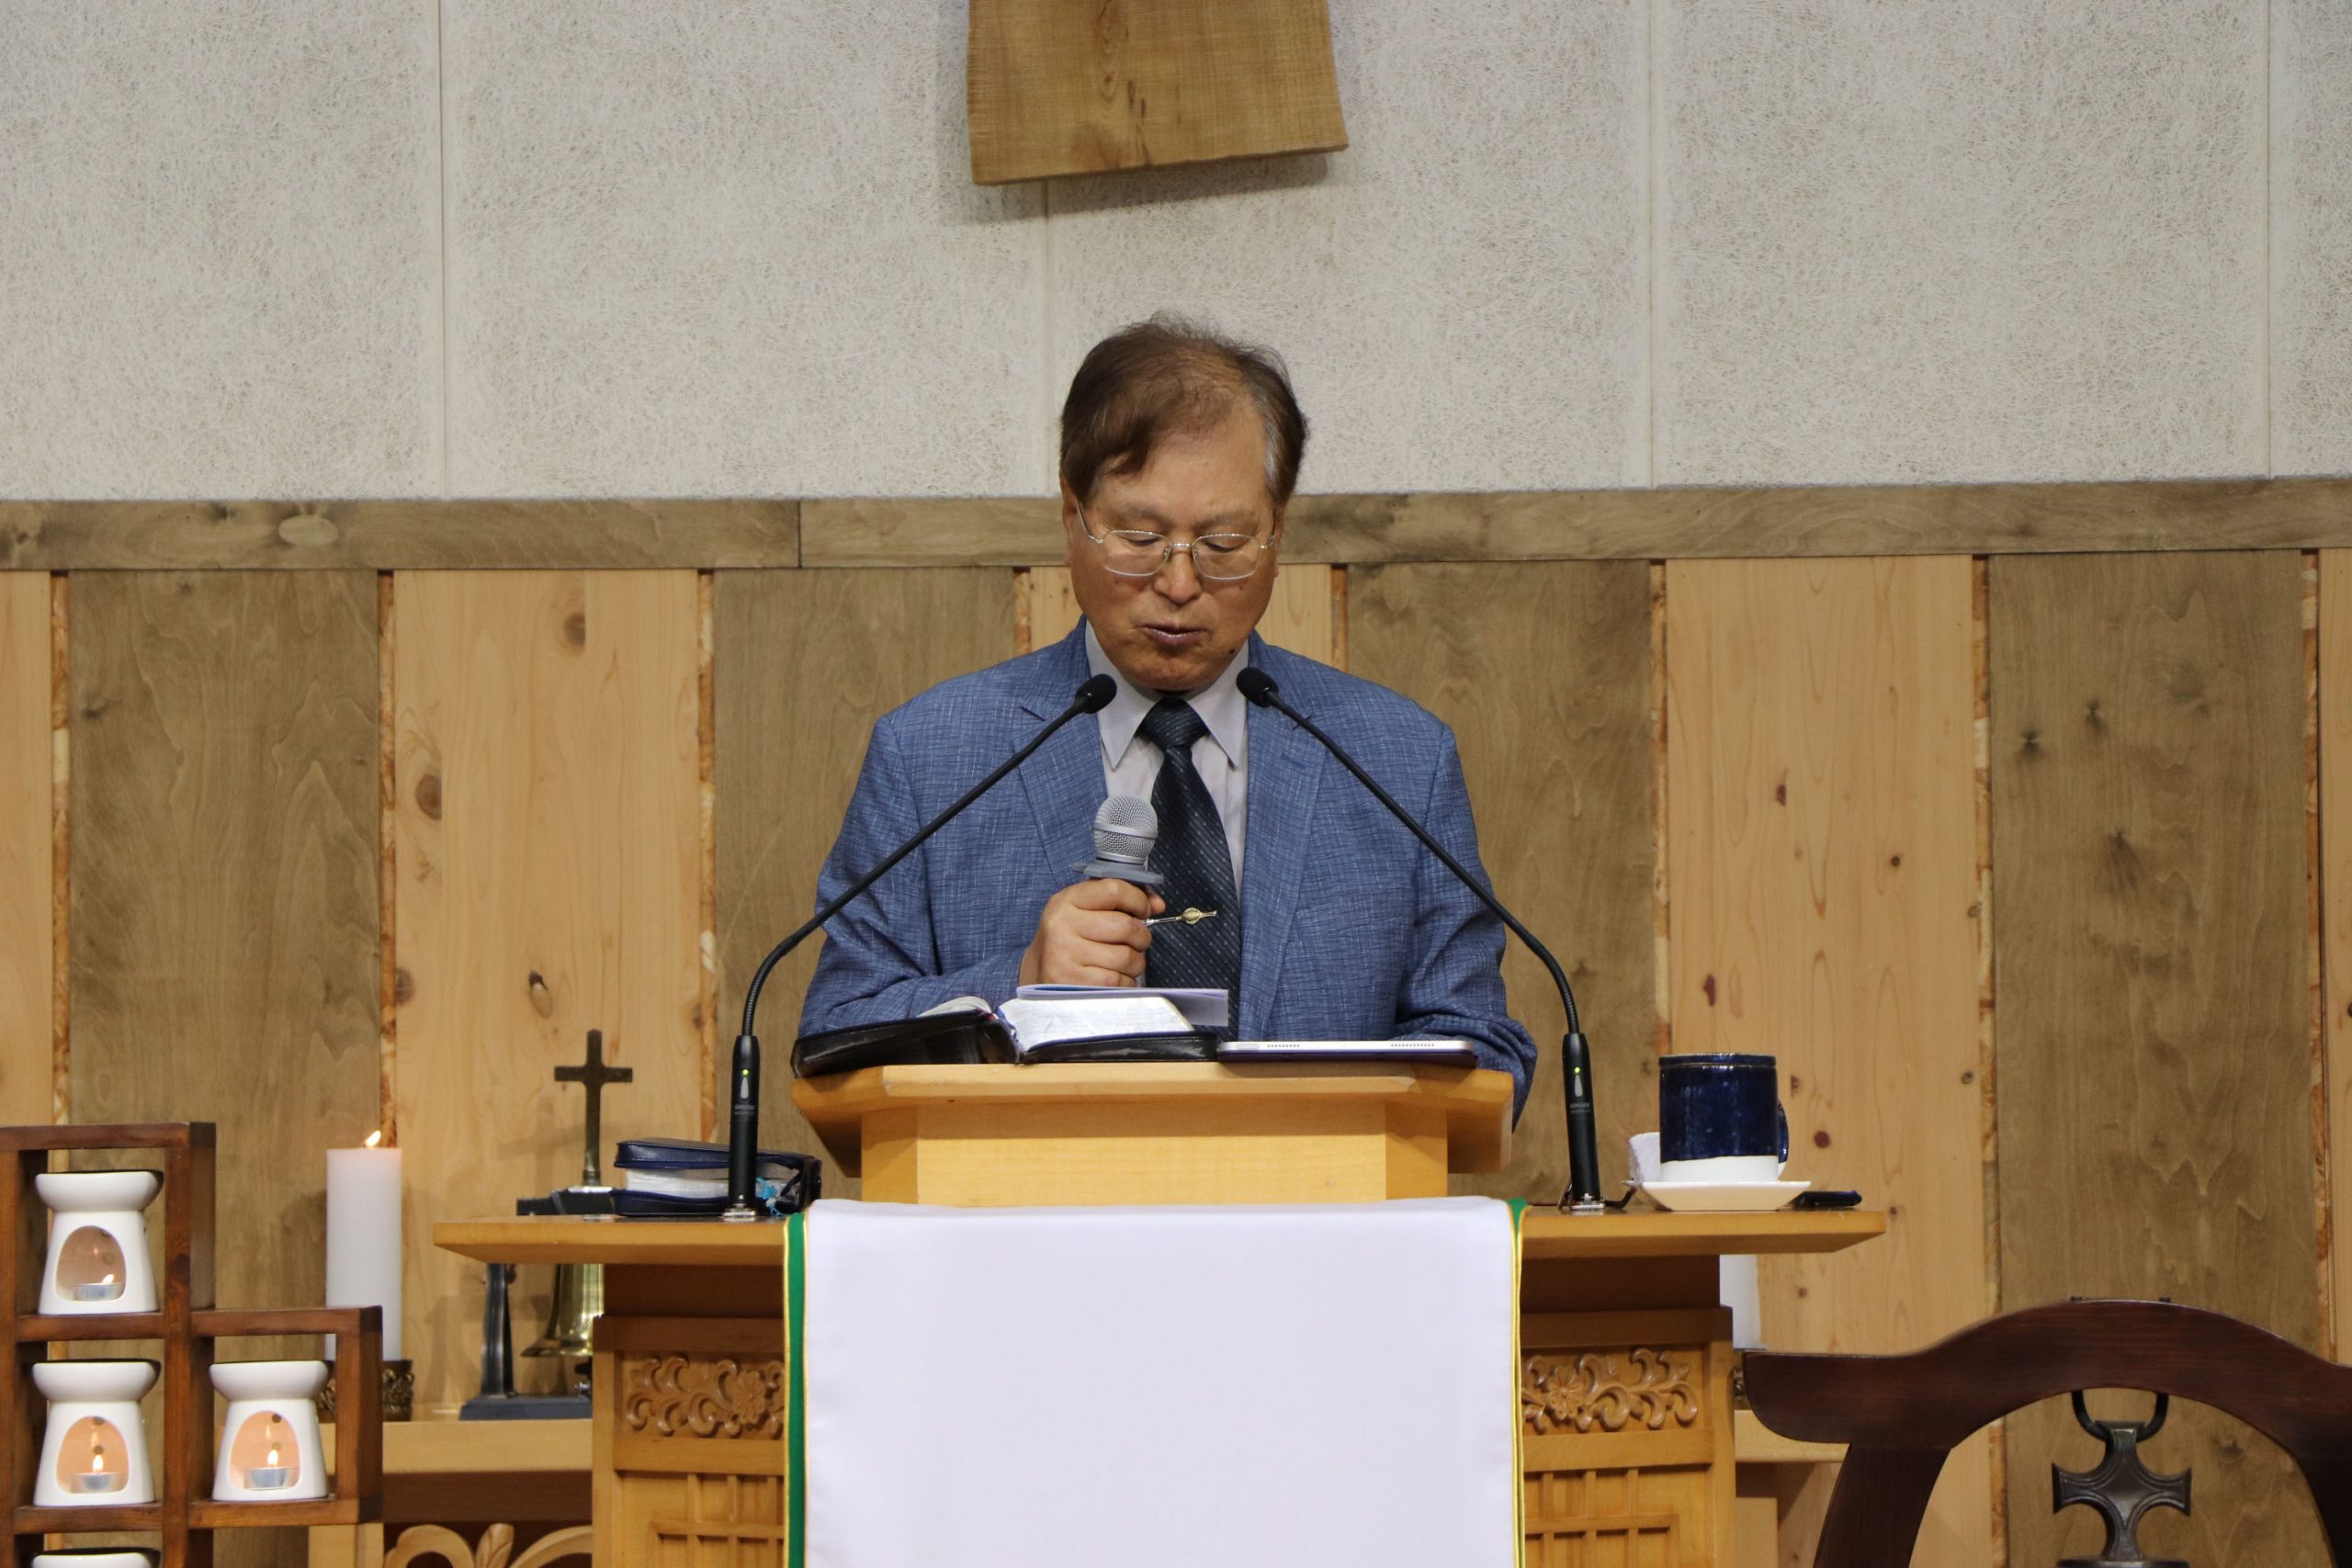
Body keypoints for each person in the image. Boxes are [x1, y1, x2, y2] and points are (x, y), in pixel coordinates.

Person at [799, 318, 1539, 1109]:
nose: (1180, 584)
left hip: (1308, 1188)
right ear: (1073, 516)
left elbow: (1482, 1048)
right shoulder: (932, 755)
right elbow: (834, 1035)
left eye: (1223, 543)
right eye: (1141, 537)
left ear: (1277, 533)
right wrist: (1014, 985)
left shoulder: (1398, 759)